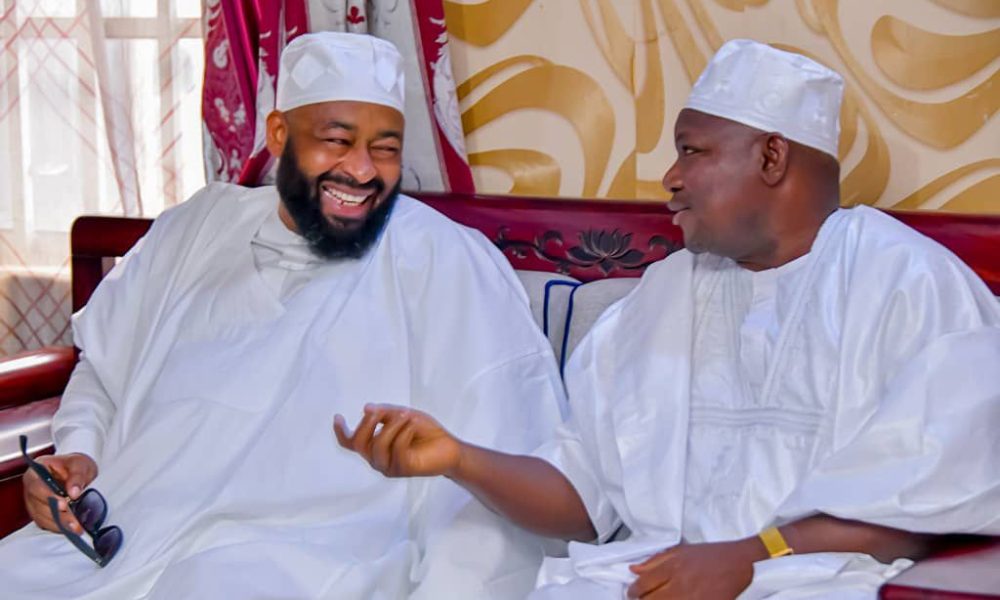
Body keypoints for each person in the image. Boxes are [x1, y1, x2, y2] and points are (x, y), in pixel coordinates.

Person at [335, 39, 1000, 599]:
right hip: (656, 579)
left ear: (771, 157)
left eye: (693, 151)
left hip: (826, 584)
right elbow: (583, 499)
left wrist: (750, 559)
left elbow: (929, 498)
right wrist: (459, 459)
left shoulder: (909, 282)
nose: (671, 178)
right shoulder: (666, 294)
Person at [0, 32, 566, 599]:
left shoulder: (447, 259)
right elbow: (104, 370)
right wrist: (79, 453)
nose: (362, 170)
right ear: (278, 135)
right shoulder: (195, 229)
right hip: (125, 539)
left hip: (314, 564)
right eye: (336, 141)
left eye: (385, 148)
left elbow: (502, 451)